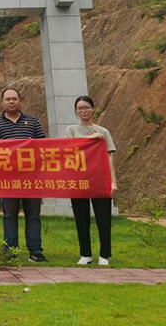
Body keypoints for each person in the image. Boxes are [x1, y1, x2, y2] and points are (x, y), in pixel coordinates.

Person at [0, 87, 48, 263]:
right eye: (8, 99)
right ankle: (10, 251)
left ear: (20, 101)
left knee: (33, 215)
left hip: (31, 178)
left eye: (14, 99)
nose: (11, 102)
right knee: (9, 215)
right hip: (8, 179)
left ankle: (35, 251)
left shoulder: (33, 121)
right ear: (2, 102)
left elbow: (44, 146)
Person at [66, 95, 117, 266]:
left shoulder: (103, 132)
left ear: (93, 109)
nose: (83, 110)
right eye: (80, 108)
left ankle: (104, 255)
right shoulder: (71, 130)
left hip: (99, 179)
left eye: (86, 107)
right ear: (76, 111)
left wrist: (113, 182)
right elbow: (69, 148)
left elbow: (109, 158)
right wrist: (90, 138)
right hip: (79, 180)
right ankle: (85, 254)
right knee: (81, 219)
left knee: (103, 218)